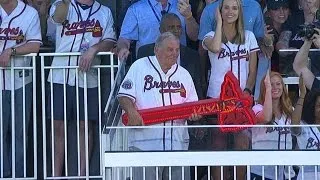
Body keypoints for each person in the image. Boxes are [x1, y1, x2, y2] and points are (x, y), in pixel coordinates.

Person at [118, 32, 200, 180]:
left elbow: (192, 105)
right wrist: (131, 111)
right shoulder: (139, 66)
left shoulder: (184, 74)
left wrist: (194, 115)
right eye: (170, 49)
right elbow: (123, 96)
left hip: (177, 146)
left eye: (177, 50)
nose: (174, 53)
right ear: (157, 49)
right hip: (145, 146)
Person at [48, 0, 116, 176]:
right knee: (58, 126)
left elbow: (109, 40)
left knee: (85, 127)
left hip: (88, 76)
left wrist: (94, 49)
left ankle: (82, 175)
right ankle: (56, 175)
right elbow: (58, 17)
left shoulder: (104, 11)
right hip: (60, 74)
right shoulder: (62, 4)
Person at [201, 0, 258, 178]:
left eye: (234, 8)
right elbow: (216, 47)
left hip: (241, 99)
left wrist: (247, 91)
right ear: (220, 11)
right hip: (217, 99)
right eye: (226, 8)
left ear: (240, 11)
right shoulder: (210, 36)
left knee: (241, 144)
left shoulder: (249, 36)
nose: (230, 12)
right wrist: (219, 22)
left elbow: (253, 70)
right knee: (218, 145)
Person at [0, 0, 41, 177]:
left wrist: (11, 51)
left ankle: (18, 175)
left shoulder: (29, 13)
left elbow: (35, 45)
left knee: (19, 134)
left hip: (20, 81)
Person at [137, 13, 203, 98]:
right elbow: (139, 84)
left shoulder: (192, 56)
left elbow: (198, 88)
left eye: (178, 27)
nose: (176, 30)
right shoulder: (145, 52)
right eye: (171, 27)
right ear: (161, 30)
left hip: (182, 105)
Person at [116, 0, 199, 61]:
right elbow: (124, 39)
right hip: (147, 63)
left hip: (178, 62)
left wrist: (189, 16)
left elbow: (195, 37)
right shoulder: (135, 9)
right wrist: (123, 48)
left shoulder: (182, 5)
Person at [252, 71, 296, 180]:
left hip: (287, 173)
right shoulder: (256, 109)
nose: (275, 87)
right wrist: (267, 89)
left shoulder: (290, 111)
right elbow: (266, 117)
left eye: (278, 84)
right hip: (262, 172)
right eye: (271, 84)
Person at [277, 0, 320, 75]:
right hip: (294, 70)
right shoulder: (293, 18)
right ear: (299, 3)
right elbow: (282, 41)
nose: (308, 1)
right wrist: (284, 49)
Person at [290, 75, 320, 180]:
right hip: (306, 177)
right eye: (319, 106)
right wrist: (302, 94)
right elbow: (294, 124)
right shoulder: (305, 127)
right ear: (312, 106)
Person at [264, 0, 290, 72]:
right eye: (276, 9)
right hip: (269, 74)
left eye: (285, 8)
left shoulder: (293, 28)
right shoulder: (264, 29)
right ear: (268, 13)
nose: (281, 12)